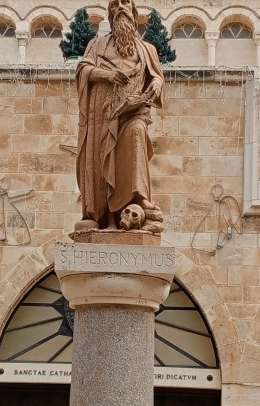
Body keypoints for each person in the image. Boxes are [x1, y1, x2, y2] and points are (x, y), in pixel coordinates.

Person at [74, 0, 165, 232]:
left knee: (137, 132)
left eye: (127, 4)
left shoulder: (147, 49)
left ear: (135, 16)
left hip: (133, 112)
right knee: (101, 158)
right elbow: (83, 70)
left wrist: (156, 83)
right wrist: (108, 75)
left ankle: (138, 197)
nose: (122, 8)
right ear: (110, 15)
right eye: (116, 5)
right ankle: (101, 214)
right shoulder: (98, 45)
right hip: (103, 116)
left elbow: (156, 75)